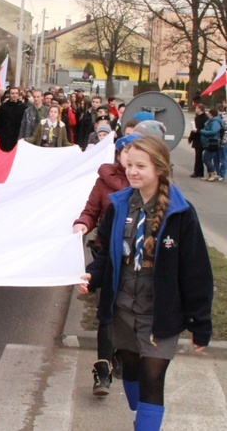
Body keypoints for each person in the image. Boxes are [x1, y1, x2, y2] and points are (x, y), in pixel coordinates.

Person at [79, 136, 213, 431]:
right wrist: (92, 275)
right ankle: (140, 421)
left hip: (159, 313)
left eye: (141, 166)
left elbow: (197, 272)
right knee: (130, 369)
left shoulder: (180, 212)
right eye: (130, 165)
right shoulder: (118, 206)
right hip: (123, 308)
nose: (133, 172)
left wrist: (200, 325)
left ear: (160, 168)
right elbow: (107, 254)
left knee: (152, 378)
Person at [73, 133, 141, 396]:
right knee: (107, 314)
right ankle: (102, 372)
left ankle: (123, 356)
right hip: (107, 259)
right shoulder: (103, 183)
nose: (132, 162)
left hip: (135, 263)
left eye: (138, 157)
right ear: (119, 154)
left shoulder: (145, 185)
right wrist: (83, 223)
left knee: (132, 315)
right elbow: (90, 210)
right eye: (127, 154)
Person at [0, 86, 26, 152]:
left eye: (16, 93)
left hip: (17, 138)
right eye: (12, 93)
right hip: (5, 139)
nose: (14, 95)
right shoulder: (3, 107)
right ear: (9, 94)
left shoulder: (23, 108)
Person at [199, 107, 223, 182]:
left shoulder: (215, 122)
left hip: (213, 142)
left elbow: (213, 131)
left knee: (206, 158)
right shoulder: (212, 121)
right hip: (209, 142)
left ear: (211, 114)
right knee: (206, 158)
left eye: (209, 113)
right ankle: (209, 174)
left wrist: (202, 131)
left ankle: (214, 173)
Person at [188, 103, 208, 178]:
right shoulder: (197, 117)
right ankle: (199, 171)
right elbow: (193, 129)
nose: (195, 109)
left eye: (196, 108)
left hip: (201, 139)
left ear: (200, 109)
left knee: (199, 156)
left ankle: (198, 172)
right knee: (198, 156)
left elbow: (199, 129)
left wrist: (197, 131)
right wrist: (190, 138)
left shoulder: (204, 118)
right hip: (196, 138)